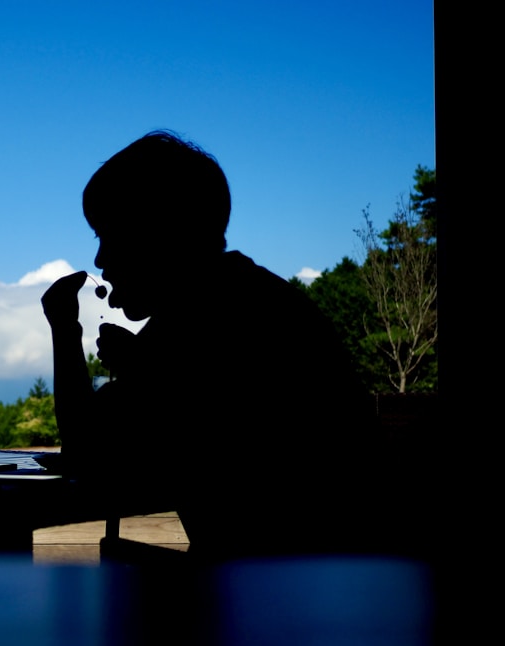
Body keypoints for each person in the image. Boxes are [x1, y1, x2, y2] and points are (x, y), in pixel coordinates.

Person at [42, 131, 376, 560]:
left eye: (110, 235)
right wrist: (143, 369)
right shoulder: (233, 297)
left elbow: (86, 451)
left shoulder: (212, 315)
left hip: (274, 596)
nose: (101, 260)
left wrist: (65, 329)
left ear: (159, 232)